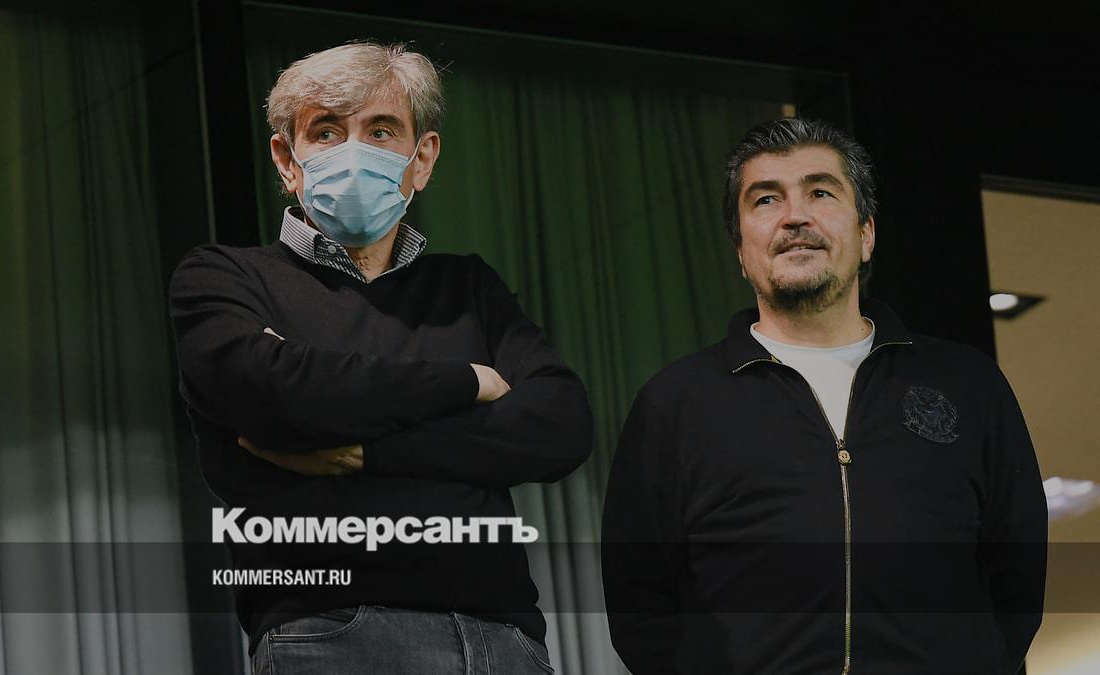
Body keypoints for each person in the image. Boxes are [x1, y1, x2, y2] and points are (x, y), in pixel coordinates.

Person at [169, 41, 591, 674]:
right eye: (326, 132)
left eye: (381, 131)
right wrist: (468, 381)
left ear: (422, 158)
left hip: (504, 635)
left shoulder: (467, 288)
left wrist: (365, 452)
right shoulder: (225, 277)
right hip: (329, 627)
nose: (353, 153)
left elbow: (560, 426)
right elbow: (274, 393)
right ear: (287, 160)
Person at [601, 117, 1046, 674]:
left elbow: (1017, 578)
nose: (795, 216)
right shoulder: (675, 404)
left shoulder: (967, 382)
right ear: (740, 249)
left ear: (866, 235)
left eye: (820, 192)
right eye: (766, 199)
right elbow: (640, 606)